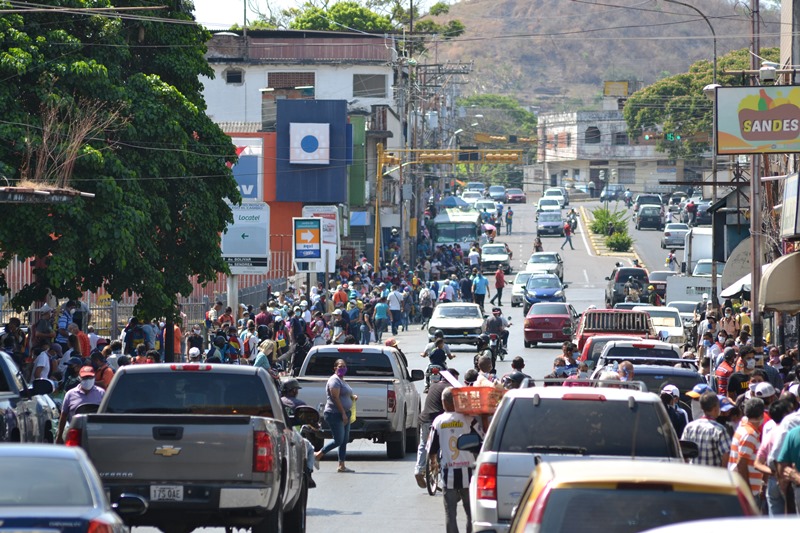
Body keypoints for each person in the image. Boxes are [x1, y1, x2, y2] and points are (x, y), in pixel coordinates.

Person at [426, 387, 478, 533]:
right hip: (468, 472)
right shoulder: (468, 419)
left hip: (448, 473)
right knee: (470, 514)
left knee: (451, 514)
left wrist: (433, 463)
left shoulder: (438, 421)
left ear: (443, 402)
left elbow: (431, 449)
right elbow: (481, 438)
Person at [415, 369, 460, 488]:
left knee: (424, 444)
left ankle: (419, 470)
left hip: (425, 419)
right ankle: (439, 467)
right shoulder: (450, 390)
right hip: (438, 422)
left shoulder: (433, 386)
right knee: (443, 444)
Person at [314, 359, 358, 473]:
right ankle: (318, 455)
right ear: (335, 368)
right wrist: (343, 413)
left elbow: (344, 394)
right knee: (338, 440)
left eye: (344, 366)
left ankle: (341, 465)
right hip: (335, 414)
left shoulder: (342, 380)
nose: (342, 368)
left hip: (345, 413)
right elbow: (335, 397)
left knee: (344, 440)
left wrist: (352, 397)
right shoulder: (334, 380)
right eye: (340, 366)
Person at [281, 379, 319, 488]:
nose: (297, 392)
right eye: (296, 390)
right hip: (294, 437)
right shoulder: (299, 404)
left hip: (277, 436)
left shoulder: (277, 401)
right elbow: (311, 421)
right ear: (293, 391)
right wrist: (316, 426)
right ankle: (308, 474)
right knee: (310, 449)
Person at [55, 366, 105, 443]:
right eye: (85, 377)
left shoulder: (101, 393)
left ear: (94, 377)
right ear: (79, 378)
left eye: (90, 377)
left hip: (95, 435)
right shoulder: (70, 394)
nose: (87, 380)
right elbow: (64, 415)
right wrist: (59, 435)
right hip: (75, 434)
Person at [681, 391, 731, 467]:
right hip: (712, 476)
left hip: (693, 475)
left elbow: (683, 452)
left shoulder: (689, 427)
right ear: (715, 408)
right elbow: (726, 455)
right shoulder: (719, 430)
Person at [728, 397, 765, 499]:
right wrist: (748, 492)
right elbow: (742, 463)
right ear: (762, 415)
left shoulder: (743, 429)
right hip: (747, 492)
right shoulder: (749, 434)